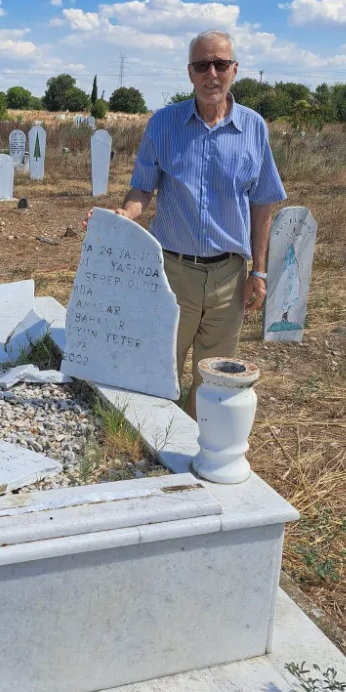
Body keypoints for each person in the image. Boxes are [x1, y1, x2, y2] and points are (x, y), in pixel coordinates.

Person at [90, 30, 286, 418]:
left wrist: (259, 273)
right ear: (190, 72)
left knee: (214, 382)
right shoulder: (163, 124)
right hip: (172, 273)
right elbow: (142, 188)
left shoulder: (254, 128)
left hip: (229, 278)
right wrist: (126, 214)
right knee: (158, 369)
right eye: (202, 65)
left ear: (234, 70)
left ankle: (197, 443)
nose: (211, 74)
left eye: (220, 64)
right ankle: (151, 443)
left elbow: (262, 204)